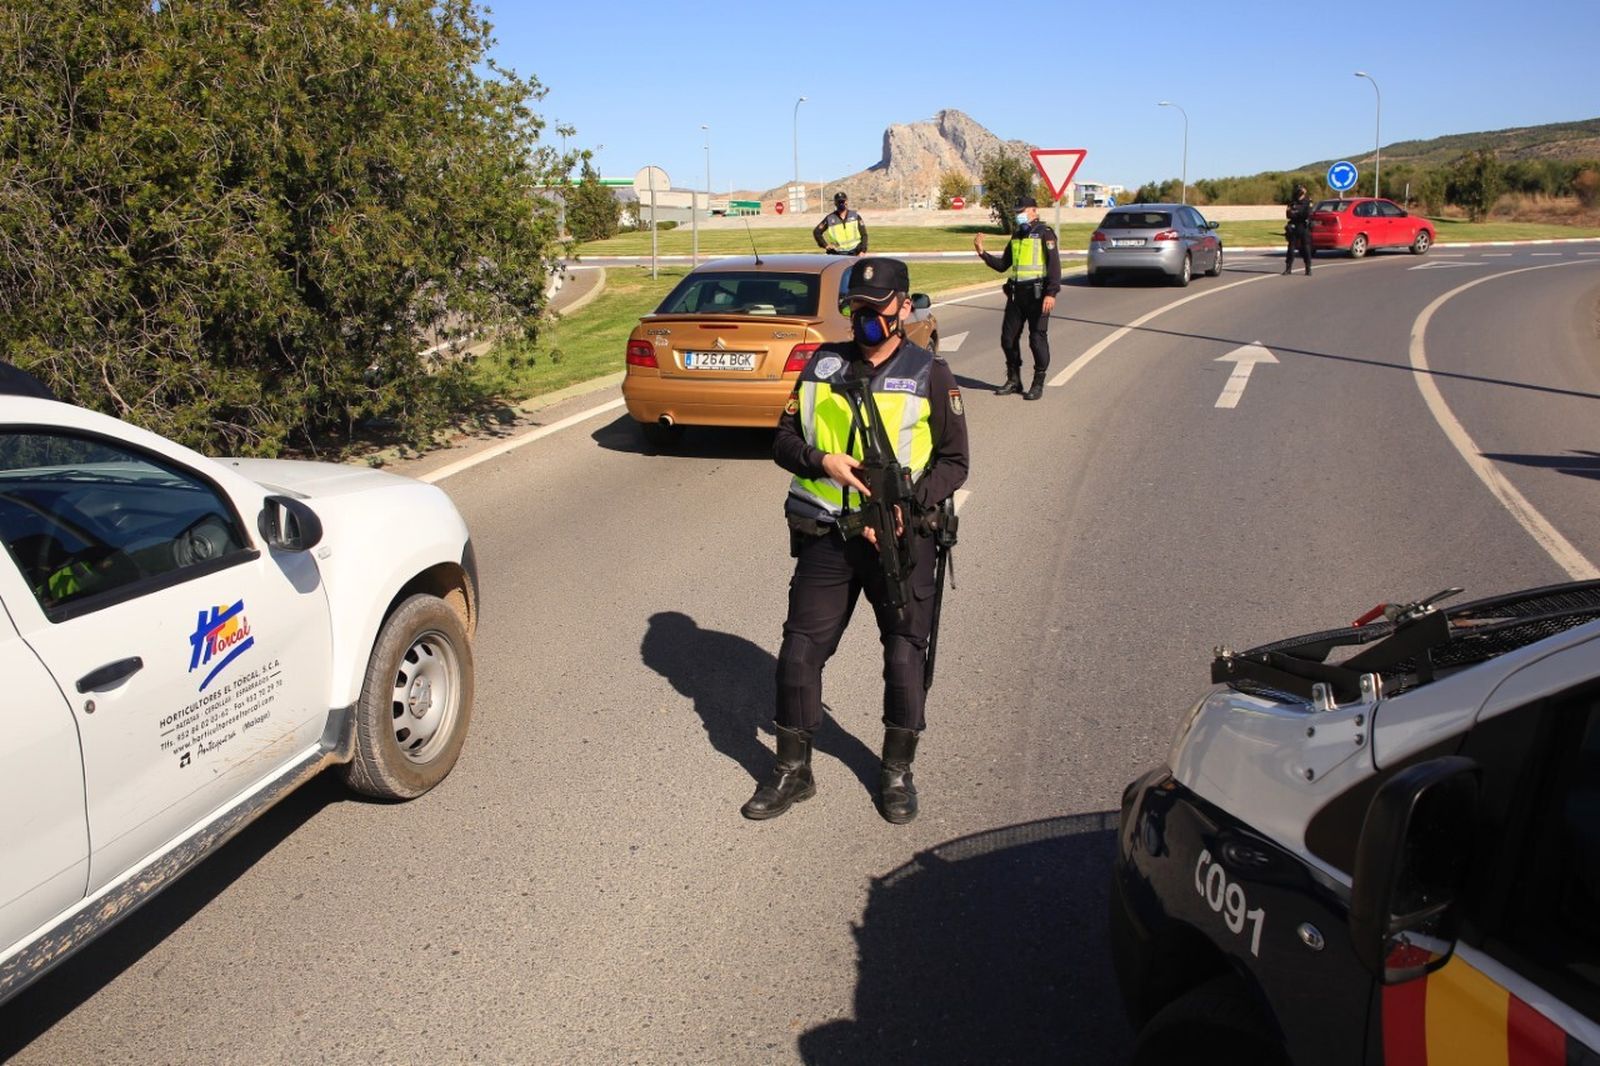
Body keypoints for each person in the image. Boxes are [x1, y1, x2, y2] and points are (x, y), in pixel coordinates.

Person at [744, 257, 969, 825]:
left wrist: (906, 507)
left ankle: (896, 772)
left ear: (903, 307)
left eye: (875, 307)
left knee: (904, 654)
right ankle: (793, 770)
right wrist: (821, 460)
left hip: (899, 540)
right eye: (855, 307)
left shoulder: (930, 373)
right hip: (827, 533)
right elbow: (783, 440)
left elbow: (954, 462)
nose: (864, 317)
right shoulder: (821, 365)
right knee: (799, 652)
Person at [974, 195, 1061, 400]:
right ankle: (1014, 380)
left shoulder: (1045, 233)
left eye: (1021, 211)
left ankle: (1038, 383)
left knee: (1036, 339)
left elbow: (1054, 266)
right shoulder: (1017, 236)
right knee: (1008, 339)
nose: (1018, 215)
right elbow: (1003, 265)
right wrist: (982, 252)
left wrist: (1051, 293)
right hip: (1016, 295)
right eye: (1016, 212)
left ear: (1034, 211)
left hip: (1038, 295)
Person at [813, 191, 869, 256]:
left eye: (842, 201)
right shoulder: (830, 218)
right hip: (838, 253)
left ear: (846, 201)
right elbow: (817, 232)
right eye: (839, 202)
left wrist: (863, 251)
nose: (841, 204)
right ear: (835, 203)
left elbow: (864, 235)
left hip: (855, 252)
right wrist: (825, 245)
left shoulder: (855, 216)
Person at [1284, 184, 1314, 275]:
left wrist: (1296, 213)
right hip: (1294, 226)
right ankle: (1288, 268)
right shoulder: (1292, 202)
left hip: (1304, 227)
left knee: (1306, 248)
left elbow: (1307, 214)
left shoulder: (1308, 201)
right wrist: (1296, 214)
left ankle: (1308, 268)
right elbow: (1288, 214)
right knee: (1291, 248)